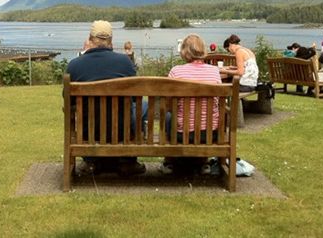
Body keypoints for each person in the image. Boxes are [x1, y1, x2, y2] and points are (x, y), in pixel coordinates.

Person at [66, 20, 145, 176]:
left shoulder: (74, 65)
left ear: (90, 39)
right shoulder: (125, 62)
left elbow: (69, 102)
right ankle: (127, 162)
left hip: (89, 133)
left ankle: (91, 162)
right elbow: (136, 98)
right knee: (141, 108)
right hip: (122, 131)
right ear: (111, 41)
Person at [163, 34, 222, 175]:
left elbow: (169, 104)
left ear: (184, 51)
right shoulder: (214, 72)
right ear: (202, 50)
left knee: (168, 116)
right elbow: (217, 101)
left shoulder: (176, 71)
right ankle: (203, 163)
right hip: (208, 134)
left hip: (182, 134)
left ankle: (169, 161)